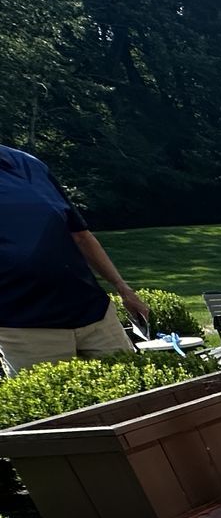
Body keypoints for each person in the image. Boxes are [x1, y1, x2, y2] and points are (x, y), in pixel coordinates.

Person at [0, 143, 150, 373]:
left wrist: (123, 288)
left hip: (94, 314)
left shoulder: (30, 165)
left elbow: (80, 235)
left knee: (138, 392)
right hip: (24, 327)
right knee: (54, 407)